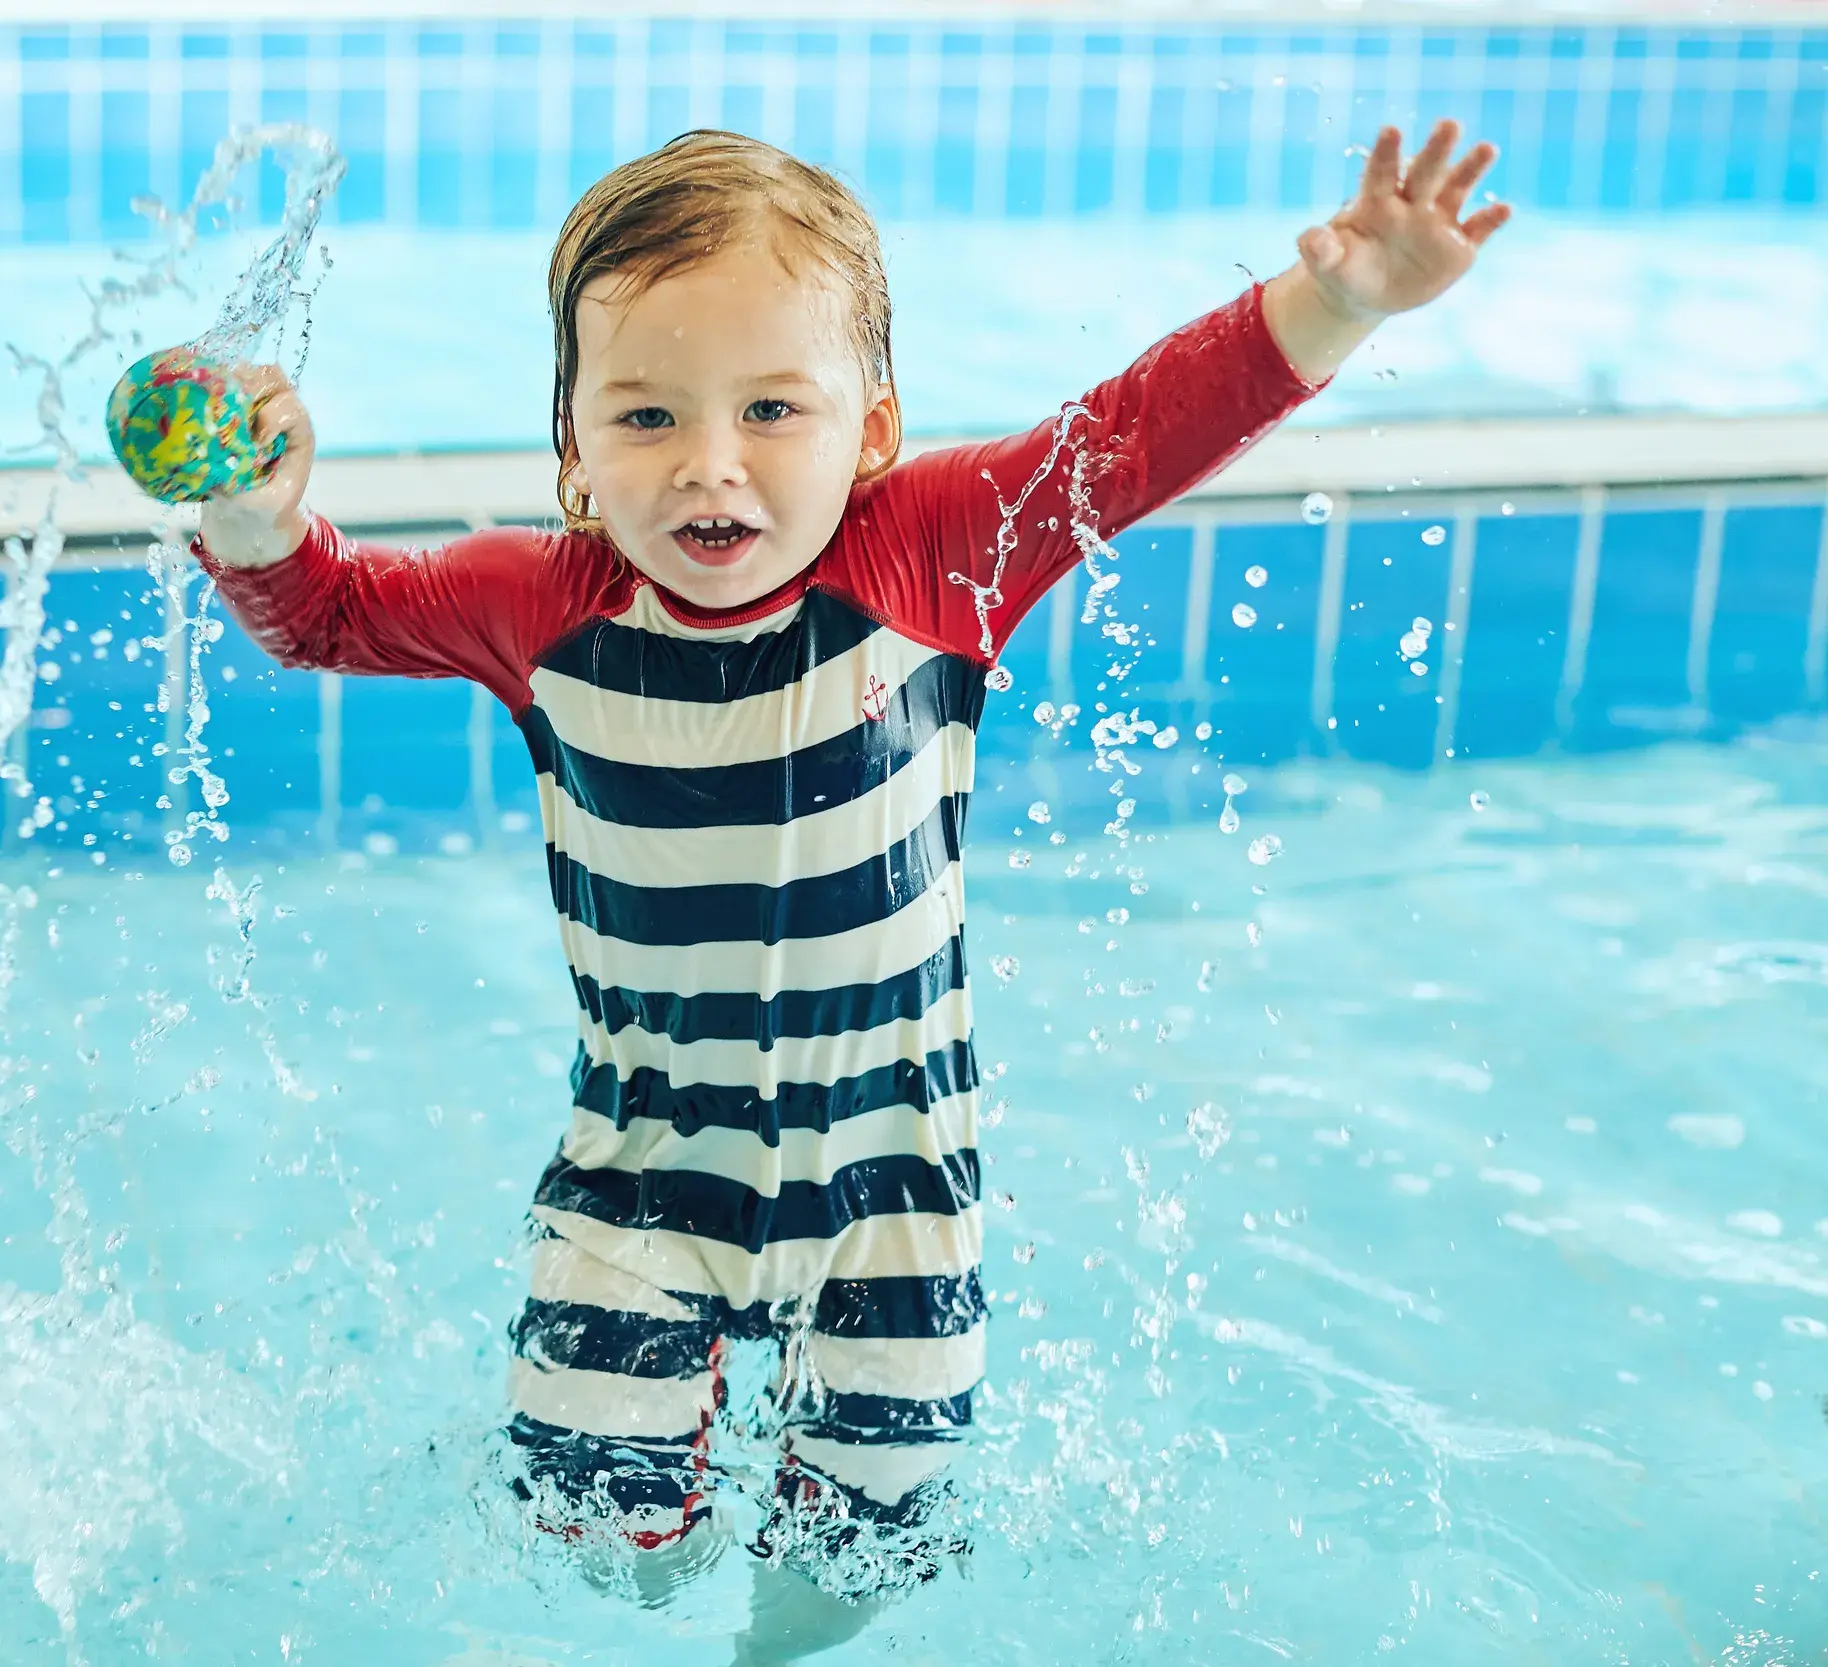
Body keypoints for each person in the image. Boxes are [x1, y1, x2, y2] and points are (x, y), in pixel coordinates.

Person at [194, 122, 1509, 1654]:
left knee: (850, 1570)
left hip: (889, 1204)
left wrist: (1337, 304)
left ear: (871, 429)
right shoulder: (536, 604)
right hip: (637, 1188)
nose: (709, 461)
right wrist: (252, 515)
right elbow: (327, 615)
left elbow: (1136, 433)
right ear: (572, 447)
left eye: (772, 407)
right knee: (593, 1541)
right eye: (644, 413)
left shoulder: (934, 554)